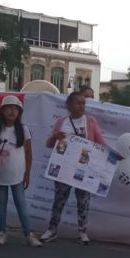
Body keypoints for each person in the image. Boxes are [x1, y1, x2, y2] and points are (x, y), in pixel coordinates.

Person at [42, 91, 106, 245]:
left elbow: (100, 143)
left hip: (83, 168)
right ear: (69, 105)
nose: (82, 106)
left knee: (83, 201)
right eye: (78, 103)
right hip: (64, 168)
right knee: (59, 200)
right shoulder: (62, 122)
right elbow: (49, 144)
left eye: (84, 103)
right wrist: (55, 137)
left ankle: (82, 231)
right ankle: (52, 229)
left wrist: (113, 156)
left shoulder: (90, 122)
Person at [0, 96, 41, 247]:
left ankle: (28, 234)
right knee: (1, 203)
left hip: (18, 173)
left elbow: (29, 154)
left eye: (15, 109)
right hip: (0, 172)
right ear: (2, 111)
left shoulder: (23, 130)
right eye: (9, 108)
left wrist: (27, 174)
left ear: (19, 112)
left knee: (20, 203)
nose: (12, 111)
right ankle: (2, 232)